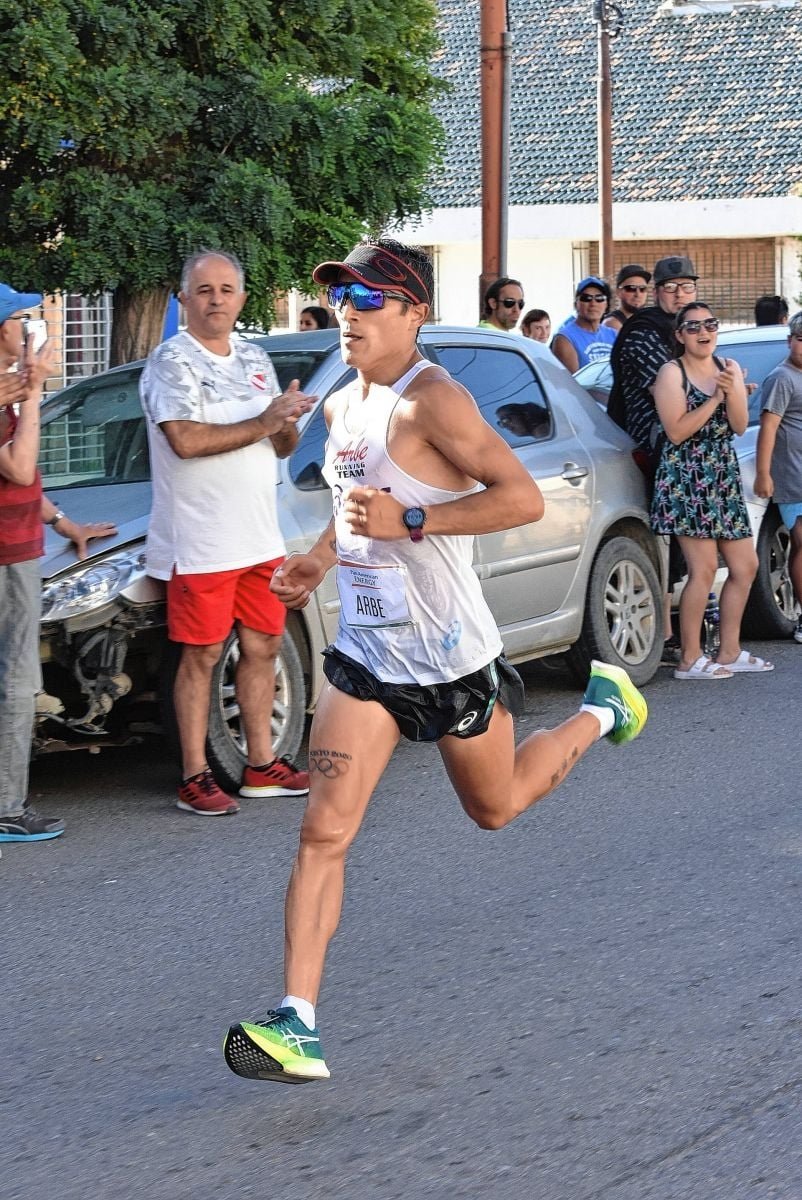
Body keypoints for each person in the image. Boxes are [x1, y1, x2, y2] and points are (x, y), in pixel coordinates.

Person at [223, 237, 648, 1084]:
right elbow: (356, 509)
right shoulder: (345, 404)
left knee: (495, 808)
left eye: (371, 300)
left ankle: (604, 707)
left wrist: (413, 525)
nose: (351, 313)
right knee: (323, 830)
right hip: (369, 658)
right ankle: (296, 1019)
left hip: (451, 658)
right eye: (344, 299)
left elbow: (519, 499)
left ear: (415, 311)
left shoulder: (435, 402)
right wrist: (320, 556)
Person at [140, 250, 315, 816]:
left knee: (263, 645)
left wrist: (285, 422)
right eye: (204, 289)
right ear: (184, 298)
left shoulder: (256, 356)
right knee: (203, 654)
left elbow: (280, 445)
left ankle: (261, 765)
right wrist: (265, 421)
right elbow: (185, 441)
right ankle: (194, 775)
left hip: (258, 535)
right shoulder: (172, 363)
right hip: (200, 539)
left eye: (226, 289)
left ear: (241, 297)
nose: (216, 299)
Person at [0, 283, 117, 844]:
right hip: (4, 557)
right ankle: (5, 808)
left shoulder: (8, 393)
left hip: (20, 547)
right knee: (15, 681)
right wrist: (34, 391)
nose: (29, 328)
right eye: (20, 319)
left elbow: (26, 489)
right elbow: (20, 469)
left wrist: (62, 523)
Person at [650, 302, 771, 679]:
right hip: (687, 478)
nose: (704, 332)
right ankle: (689, 657)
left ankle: (729, 650)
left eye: (710, 324)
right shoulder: (671, 373)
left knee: (744, 565)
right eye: (694, 326)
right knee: (702, 570)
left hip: (722, 475)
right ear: (680, 335)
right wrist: (716, 398)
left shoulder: (727, 368)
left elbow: (737, 426)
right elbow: (676, 431)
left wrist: (734, 392)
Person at [754, 311, 802, 643]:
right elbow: (768, 428)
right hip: (793, 477)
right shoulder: (781, 378)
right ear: (790, 341)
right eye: (800, 338)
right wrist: (763, 473)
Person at [550, 277, 616, 372]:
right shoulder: (565, 339)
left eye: (599, 298)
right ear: (576, 304)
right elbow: (572, 383)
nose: (593, 303)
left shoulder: (613, 335)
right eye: (586, 298)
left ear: (606, 304)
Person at [602, 265, 652, 334]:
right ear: (618, 292)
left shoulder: (646, 320)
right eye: (631, 288)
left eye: (642, 289)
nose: (638, 294)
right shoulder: (611, 324)